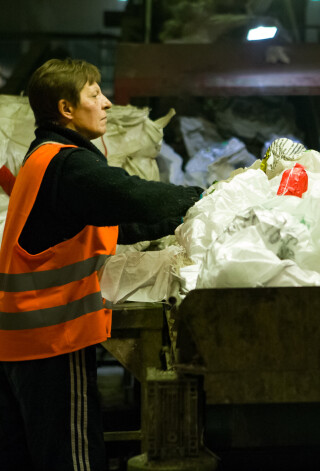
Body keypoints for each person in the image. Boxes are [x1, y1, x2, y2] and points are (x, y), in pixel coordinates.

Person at [0, 58, 204, 471]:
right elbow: (129, 195)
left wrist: (176, 220)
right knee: (73, 458)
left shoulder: (44, 159)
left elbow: (118, 223)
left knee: (33, 454)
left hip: (22, 338)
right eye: (95, 94)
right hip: (51, 336)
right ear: (66, 109)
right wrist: (205, 196)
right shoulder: (68, 163)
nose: (107, 103)